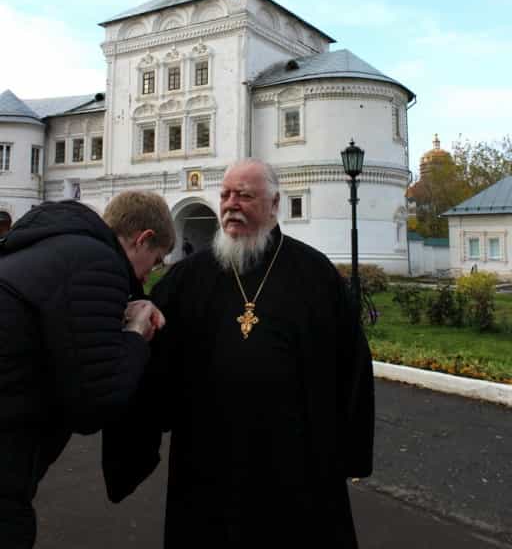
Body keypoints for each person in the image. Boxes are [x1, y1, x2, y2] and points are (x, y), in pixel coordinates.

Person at [103, 159, 374, 548]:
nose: (231, 205)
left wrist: (349, 452)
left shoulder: (314, 275)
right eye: (226, 195)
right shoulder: (187, 278)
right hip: (207, 459)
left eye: (245, 196)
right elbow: (152, 359)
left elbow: (351, 366)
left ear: (275, 204)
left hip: (296, 461)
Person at [0, 190, 174, 549]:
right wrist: (136, 333)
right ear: (144, 240)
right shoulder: (98, 262)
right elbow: (97, 401)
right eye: (154, 262)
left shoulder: (43, 245)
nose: (146, 277)